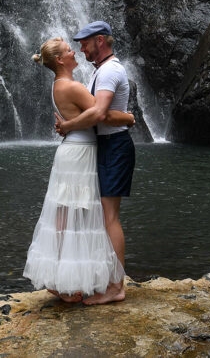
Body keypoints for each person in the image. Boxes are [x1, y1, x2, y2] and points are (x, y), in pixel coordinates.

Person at [23, 37, 133, 303]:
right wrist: (129, 118)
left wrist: (68, 125)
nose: (75, 52)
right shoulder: (71, 86)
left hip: (70, 152)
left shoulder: (58, 85)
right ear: (60, 60)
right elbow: (101, 114)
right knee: (76, 215)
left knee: (64, 215)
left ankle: (64, 282)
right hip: (80, 153)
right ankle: (69, 285)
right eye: (70, 50)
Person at [54, 20, 134, 305]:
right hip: (105, 146)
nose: (81, 49)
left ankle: (116, 286)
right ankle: (100, 280)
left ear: (100, 41)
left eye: (84, 43)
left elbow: (99, 113)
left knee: (109, 216)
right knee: (102, 216)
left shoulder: (111, 70)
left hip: (115, 146)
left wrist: (68, 126)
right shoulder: (100, 72)